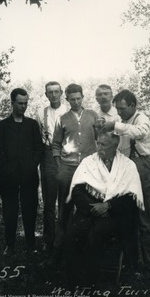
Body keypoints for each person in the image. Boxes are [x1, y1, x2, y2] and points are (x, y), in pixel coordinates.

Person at [63, 131, 143, 297]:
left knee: (96, 235)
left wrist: (108, 206)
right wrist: (93, 209)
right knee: (71, 236)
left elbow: (131, 199)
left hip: (115, 215)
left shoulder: (127, 166)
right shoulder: (88, 162)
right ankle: (74, 289)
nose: (99, 148)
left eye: (103, 145)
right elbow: (77, 191)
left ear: (115, 146)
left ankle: (92, 289)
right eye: (98, 143)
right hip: (89, 212)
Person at [102, 89, 150, 274]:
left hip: (143, 169)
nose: (120, 112)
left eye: (123, 109)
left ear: (133, 106)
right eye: (117, 109)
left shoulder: (142, 119)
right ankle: (131, 263)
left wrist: (116, 125)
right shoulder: (123, 122)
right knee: (128, 217)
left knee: (146, 219)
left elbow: (140, 133)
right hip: (127, 170)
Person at [0, 88, 43, 255]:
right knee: (9, 210)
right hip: (9, 176)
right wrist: (7, 168)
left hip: (29, 175)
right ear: (12, 103)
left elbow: (39, 149)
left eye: (26, 103)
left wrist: (32, 166)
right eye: (20, 103)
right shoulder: (2, 126)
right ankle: (10, 245)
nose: (23, 106)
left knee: (30, 209)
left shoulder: (32, 125)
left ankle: (30, 244)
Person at [52, 83, 98, 242]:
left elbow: (101, 139)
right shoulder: (62, 119)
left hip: (89, 169)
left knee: (89, 204)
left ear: (83, 97)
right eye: (72, 99)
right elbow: (56, 144)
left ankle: (86, 243)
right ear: (67, 100)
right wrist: (59, 167)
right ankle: (60, 246)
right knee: (65, 207)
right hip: (67, 168)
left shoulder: (93, 115)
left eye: (79, 98)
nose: (76, 102)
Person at [36, 81, 67, 252]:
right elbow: (40, 136)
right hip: (48, 155)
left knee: (66, 199)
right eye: (50, 92)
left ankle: (65, 238)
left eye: (56, 92)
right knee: (49, 200)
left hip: (66, 155)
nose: (54, 95)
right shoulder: (42, 113)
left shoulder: (69, 112)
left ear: (61, 93)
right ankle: (48, 239)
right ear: (46, 94)